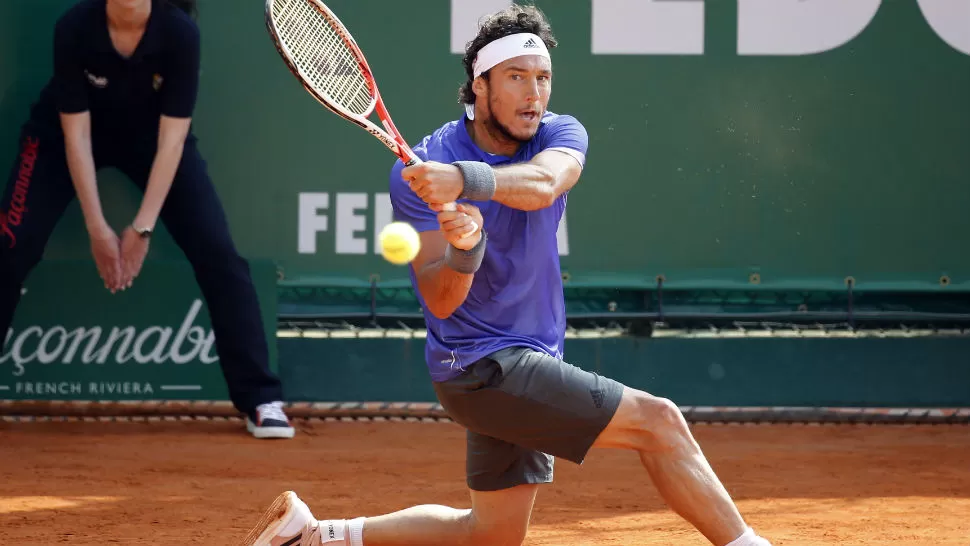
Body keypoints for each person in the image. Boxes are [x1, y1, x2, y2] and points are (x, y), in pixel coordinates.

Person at [239, 4, 773, 545]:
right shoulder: (419, 169)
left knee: (490, 534)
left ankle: (314, 536)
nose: (533, 93)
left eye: (542, 78)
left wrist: (464, 182)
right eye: (516, 77)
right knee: (659, 422)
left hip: (530, 358)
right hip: (478, 368)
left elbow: (544, 184)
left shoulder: (557, 135)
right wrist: (464, 250)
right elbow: (441, 300)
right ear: (480, 85)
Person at [0, 0, 295, 440]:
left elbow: (172, 141)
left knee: (218, 253)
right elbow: (75, 136)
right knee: (12, 245)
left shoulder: (179, 33)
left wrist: (142, 227)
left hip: (154, 144)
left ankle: (260, 397)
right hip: (62, 137)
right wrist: (97, 226)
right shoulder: (75, 26)